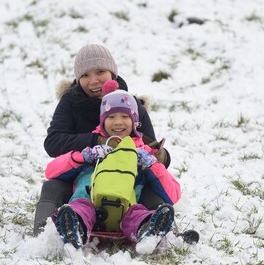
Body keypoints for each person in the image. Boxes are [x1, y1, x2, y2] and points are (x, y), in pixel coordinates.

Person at [33, 44, 170, 236]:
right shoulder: (71, 103)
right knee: (52, 186)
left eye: (100, 72)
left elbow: (150, 148)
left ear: (112, 73)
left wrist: (160, 156)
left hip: (125, 177)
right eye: (85, 75)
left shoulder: (131, 106)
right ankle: (44, 232)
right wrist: (96, 140)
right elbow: (53, 142)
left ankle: (160, 229)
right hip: (80, 174)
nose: (93, 81)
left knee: (151, 188)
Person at [45, 82, 181, 248]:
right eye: (111, 117)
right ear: (102, 121)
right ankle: (74, 228)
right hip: (88, 198)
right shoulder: (94, 146)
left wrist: (151, 164)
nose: (117, 122)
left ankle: (148, 230)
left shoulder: (142, 148)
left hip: (128, 206)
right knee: (80, 207)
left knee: (137, 214)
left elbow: (173, 194)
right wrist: (84, 156)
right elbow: (51, 171)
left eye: (125, 117)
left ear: (135, 122)